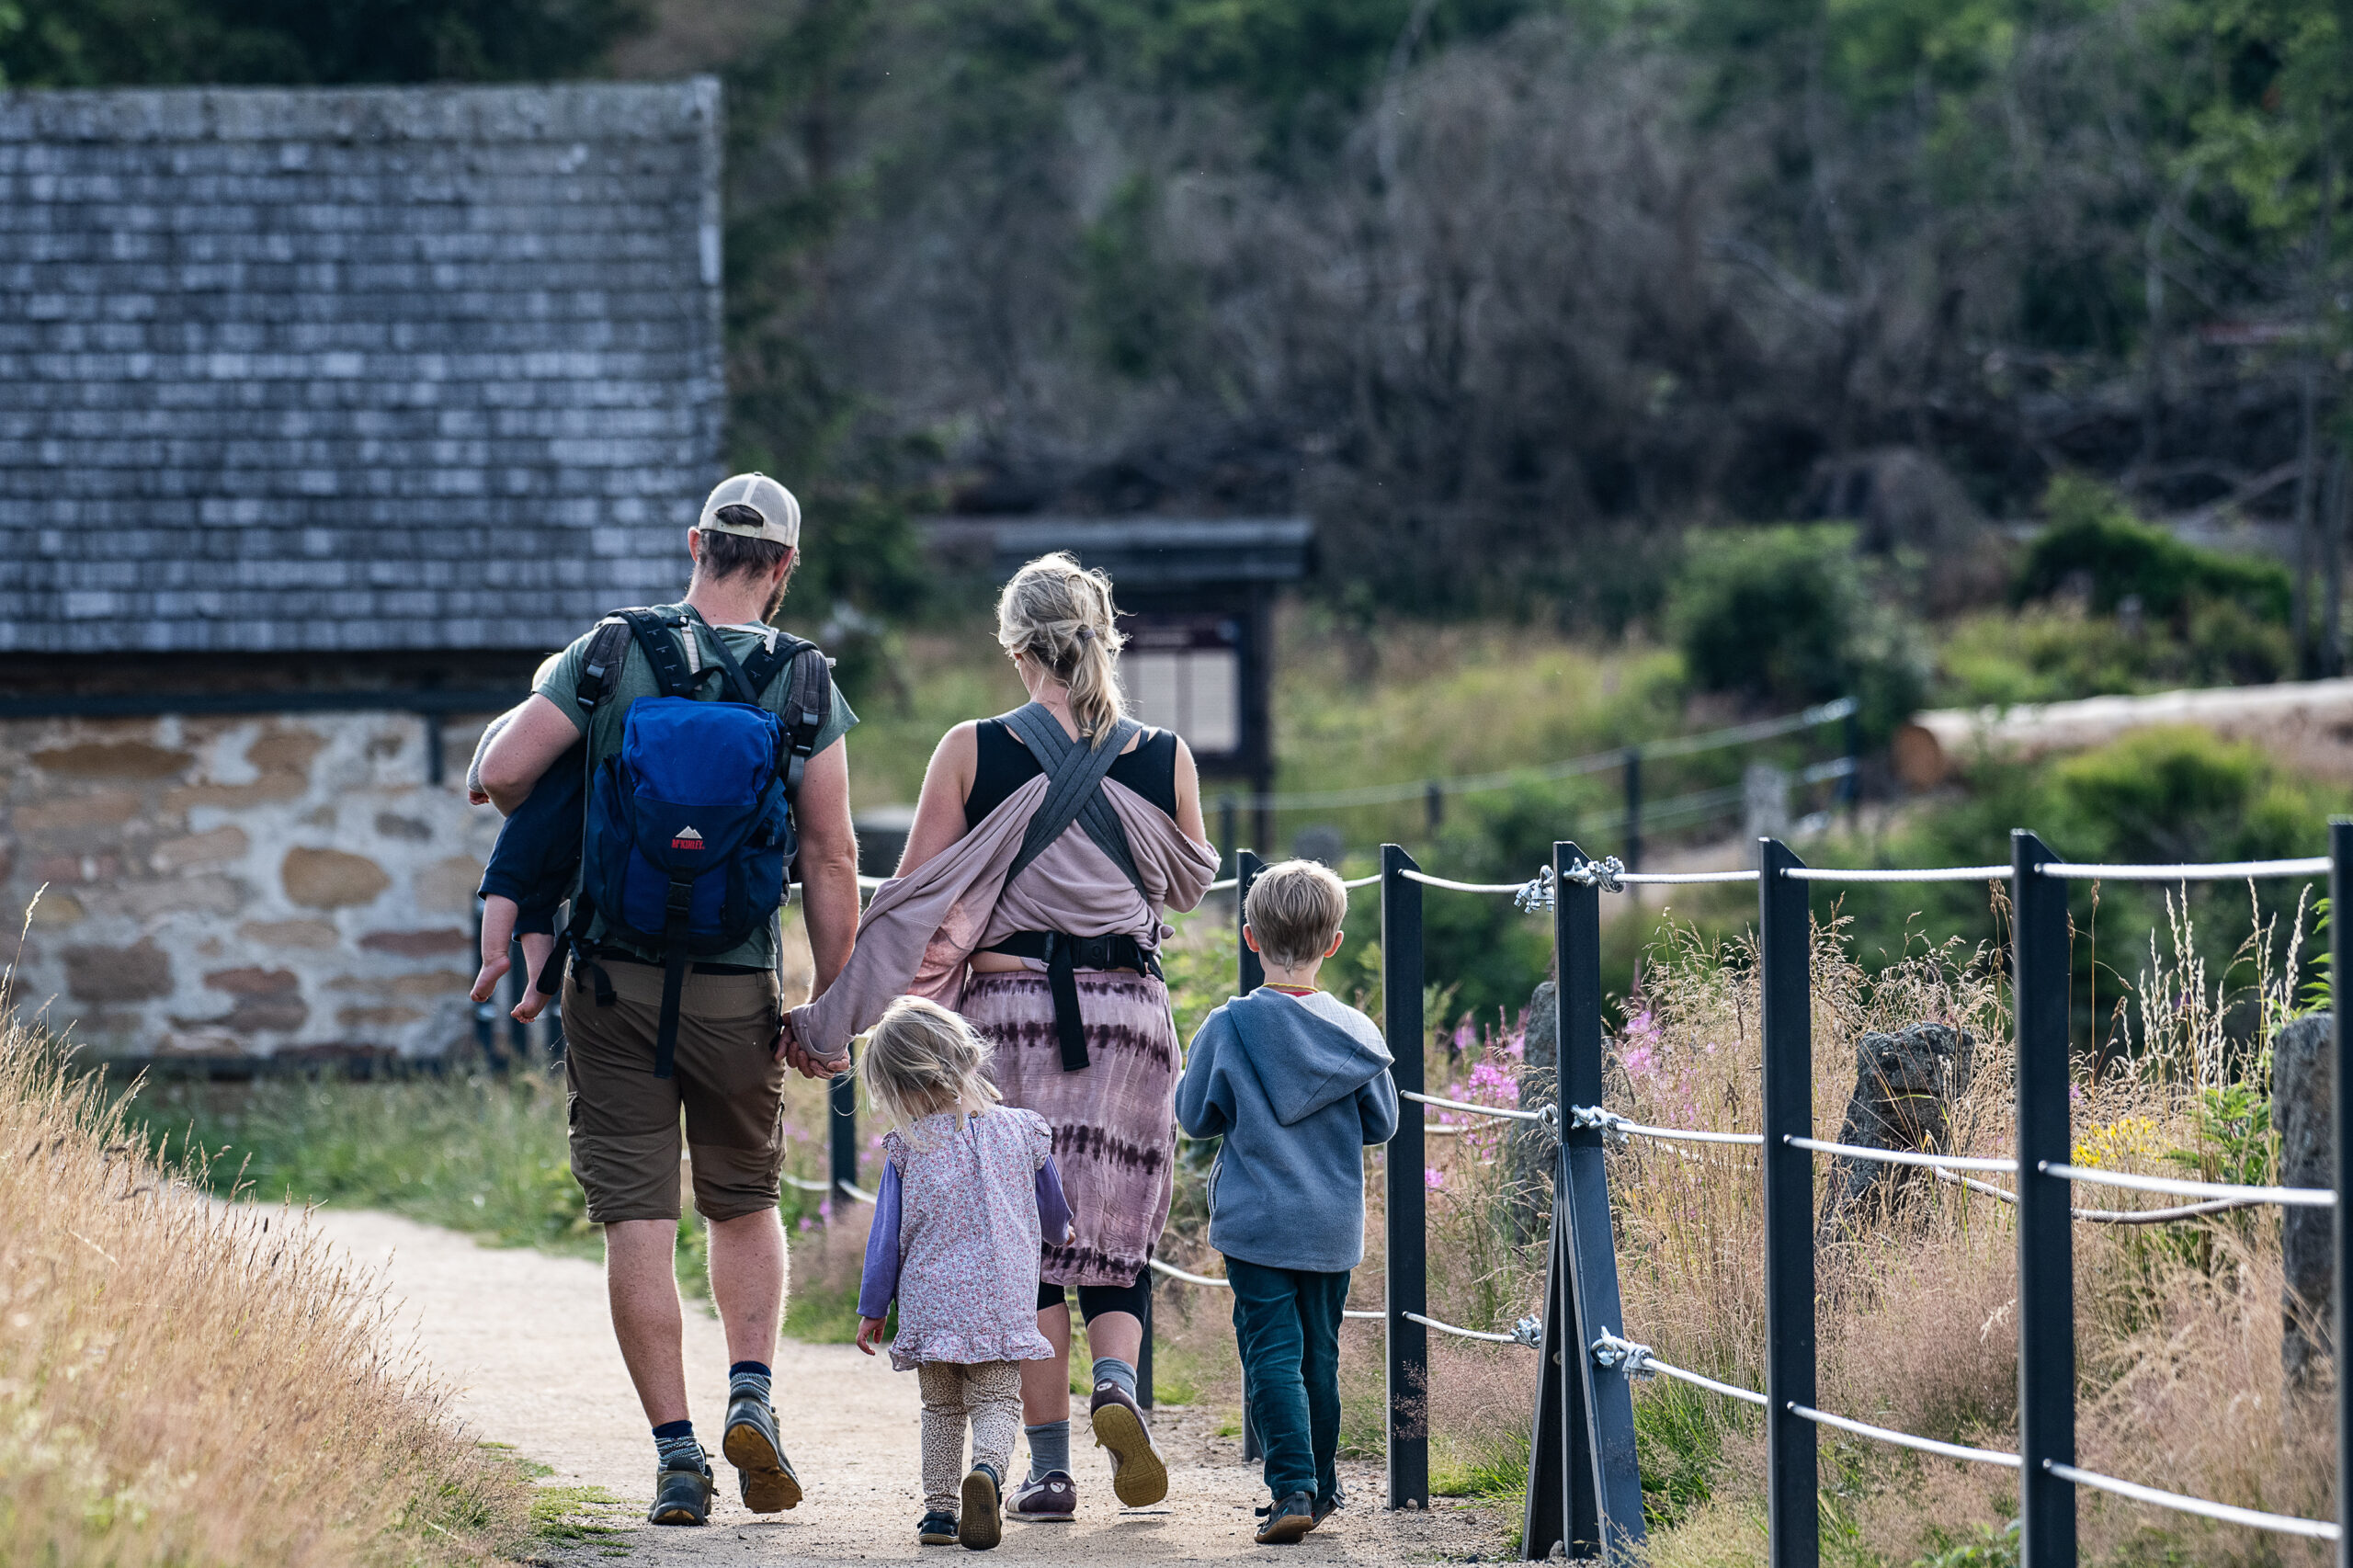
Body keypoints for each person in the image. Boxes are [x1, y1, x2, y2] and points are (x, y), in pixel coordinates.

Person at [778, 551, 1220, 1523]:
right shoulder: (1165, 753)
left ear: (1016, 646)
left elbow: (912, 903)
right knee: (1113, 1238)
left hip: (1008, 1016)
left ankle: (1050, 1468)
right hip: (1132, 1021)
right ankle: (1117, 1385)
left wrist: (826, 1022)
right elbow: (1188, 881)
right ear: (1104, 637)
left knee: (1029, 1245)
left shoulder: (972, 749)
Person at [475, 473, 863, 1527]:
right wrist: (833, 1003)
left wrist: (563, 706)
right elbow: (831, 856)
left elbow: (502, 774)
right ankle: (753, 1390)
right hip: (738, 979)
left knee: (637, 1219)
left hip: (611, 975)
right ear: (783, 565)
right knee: (743, 1198)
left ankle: (677, 1454)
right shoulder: (803, 680)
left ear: (695, 542)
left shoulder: (609, 651)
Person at [1174, 858, 1399, 1545]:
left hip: (1256, 1224)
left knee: (1271, 1352)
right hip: (1330, 1224)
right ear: (1333, 943)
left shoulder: (1228, 1025)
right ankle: (1323, 1487)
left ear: (1250, 938)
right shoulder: (1356, 1032)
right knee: (1319, 1357)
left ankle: (1291, 1487)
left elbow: (1195, 1118)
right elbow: (1382, 1124)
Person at [851, 996, 1077, 1551]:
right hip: (1000, 1302)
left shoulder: (908, 1147)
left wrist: (873, 1308)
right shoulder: (1023, 1132)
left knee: (941, 1409)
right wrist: (1061, 1232)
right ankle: (990, 1476)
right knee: (998, 1401)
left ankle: (937, 1513)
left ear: (897, 1087)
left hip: (931, 1306)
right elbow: (1053, 1210)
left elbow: (886, 1239)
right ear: (964, 1058)